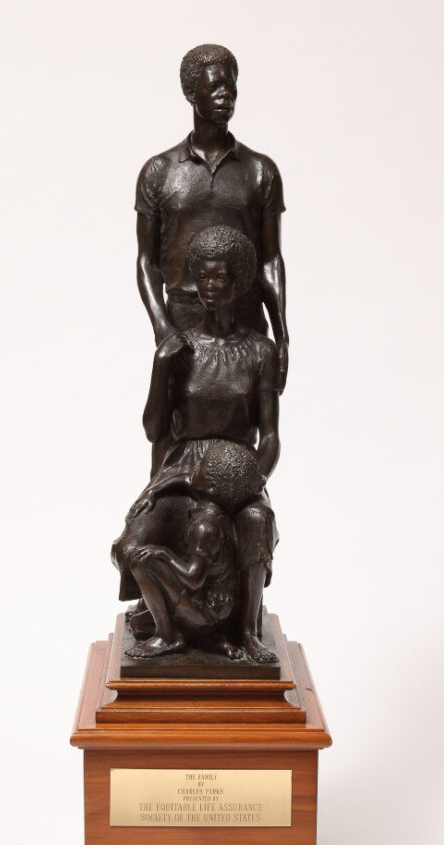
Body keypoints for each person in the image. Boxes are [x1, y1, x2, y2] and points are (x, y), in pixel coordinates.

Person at [112, 225, 280, 663]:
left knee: (255, 520)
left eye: (219, 276)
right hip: (182, 466)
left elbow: (270, 436)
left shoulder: (260, 352)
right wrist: (161, 366)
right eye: (202, 276)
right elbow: (153, 429)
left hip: (236, 470)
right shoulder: (181, 349)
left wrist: (250, 482)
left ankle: (248, 631)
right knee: (134, 543)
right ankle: (165, 624)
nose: (209, 286)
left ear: (238, 280)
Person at [136, 43, 289, 394]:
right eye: (215, 86)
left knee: (247, 421)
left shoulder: (261, 172)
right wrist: (162, 327)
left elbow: (271, 260)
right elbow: (147, 261)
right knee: (179, 421)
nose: (226, 95)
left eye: (231, 87)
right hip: (184, 327)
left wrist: (282, 336)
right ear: (191, 93)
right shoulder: (158, 172)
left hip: (246, 323)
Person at [126, 441, 266, 660]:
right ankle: (206, 638)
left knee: (141, 563)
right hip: (221, 611)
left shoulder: (204, 526)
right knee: (142, 617)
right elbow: (184, 479)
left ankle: (168, 637)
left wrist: (164, 554)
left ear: (211, 485)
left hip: (209, 614)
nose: (194, 468)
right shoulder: (217, 513)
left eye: (201, 467)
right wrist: (154, 489)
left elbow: (193, 579)